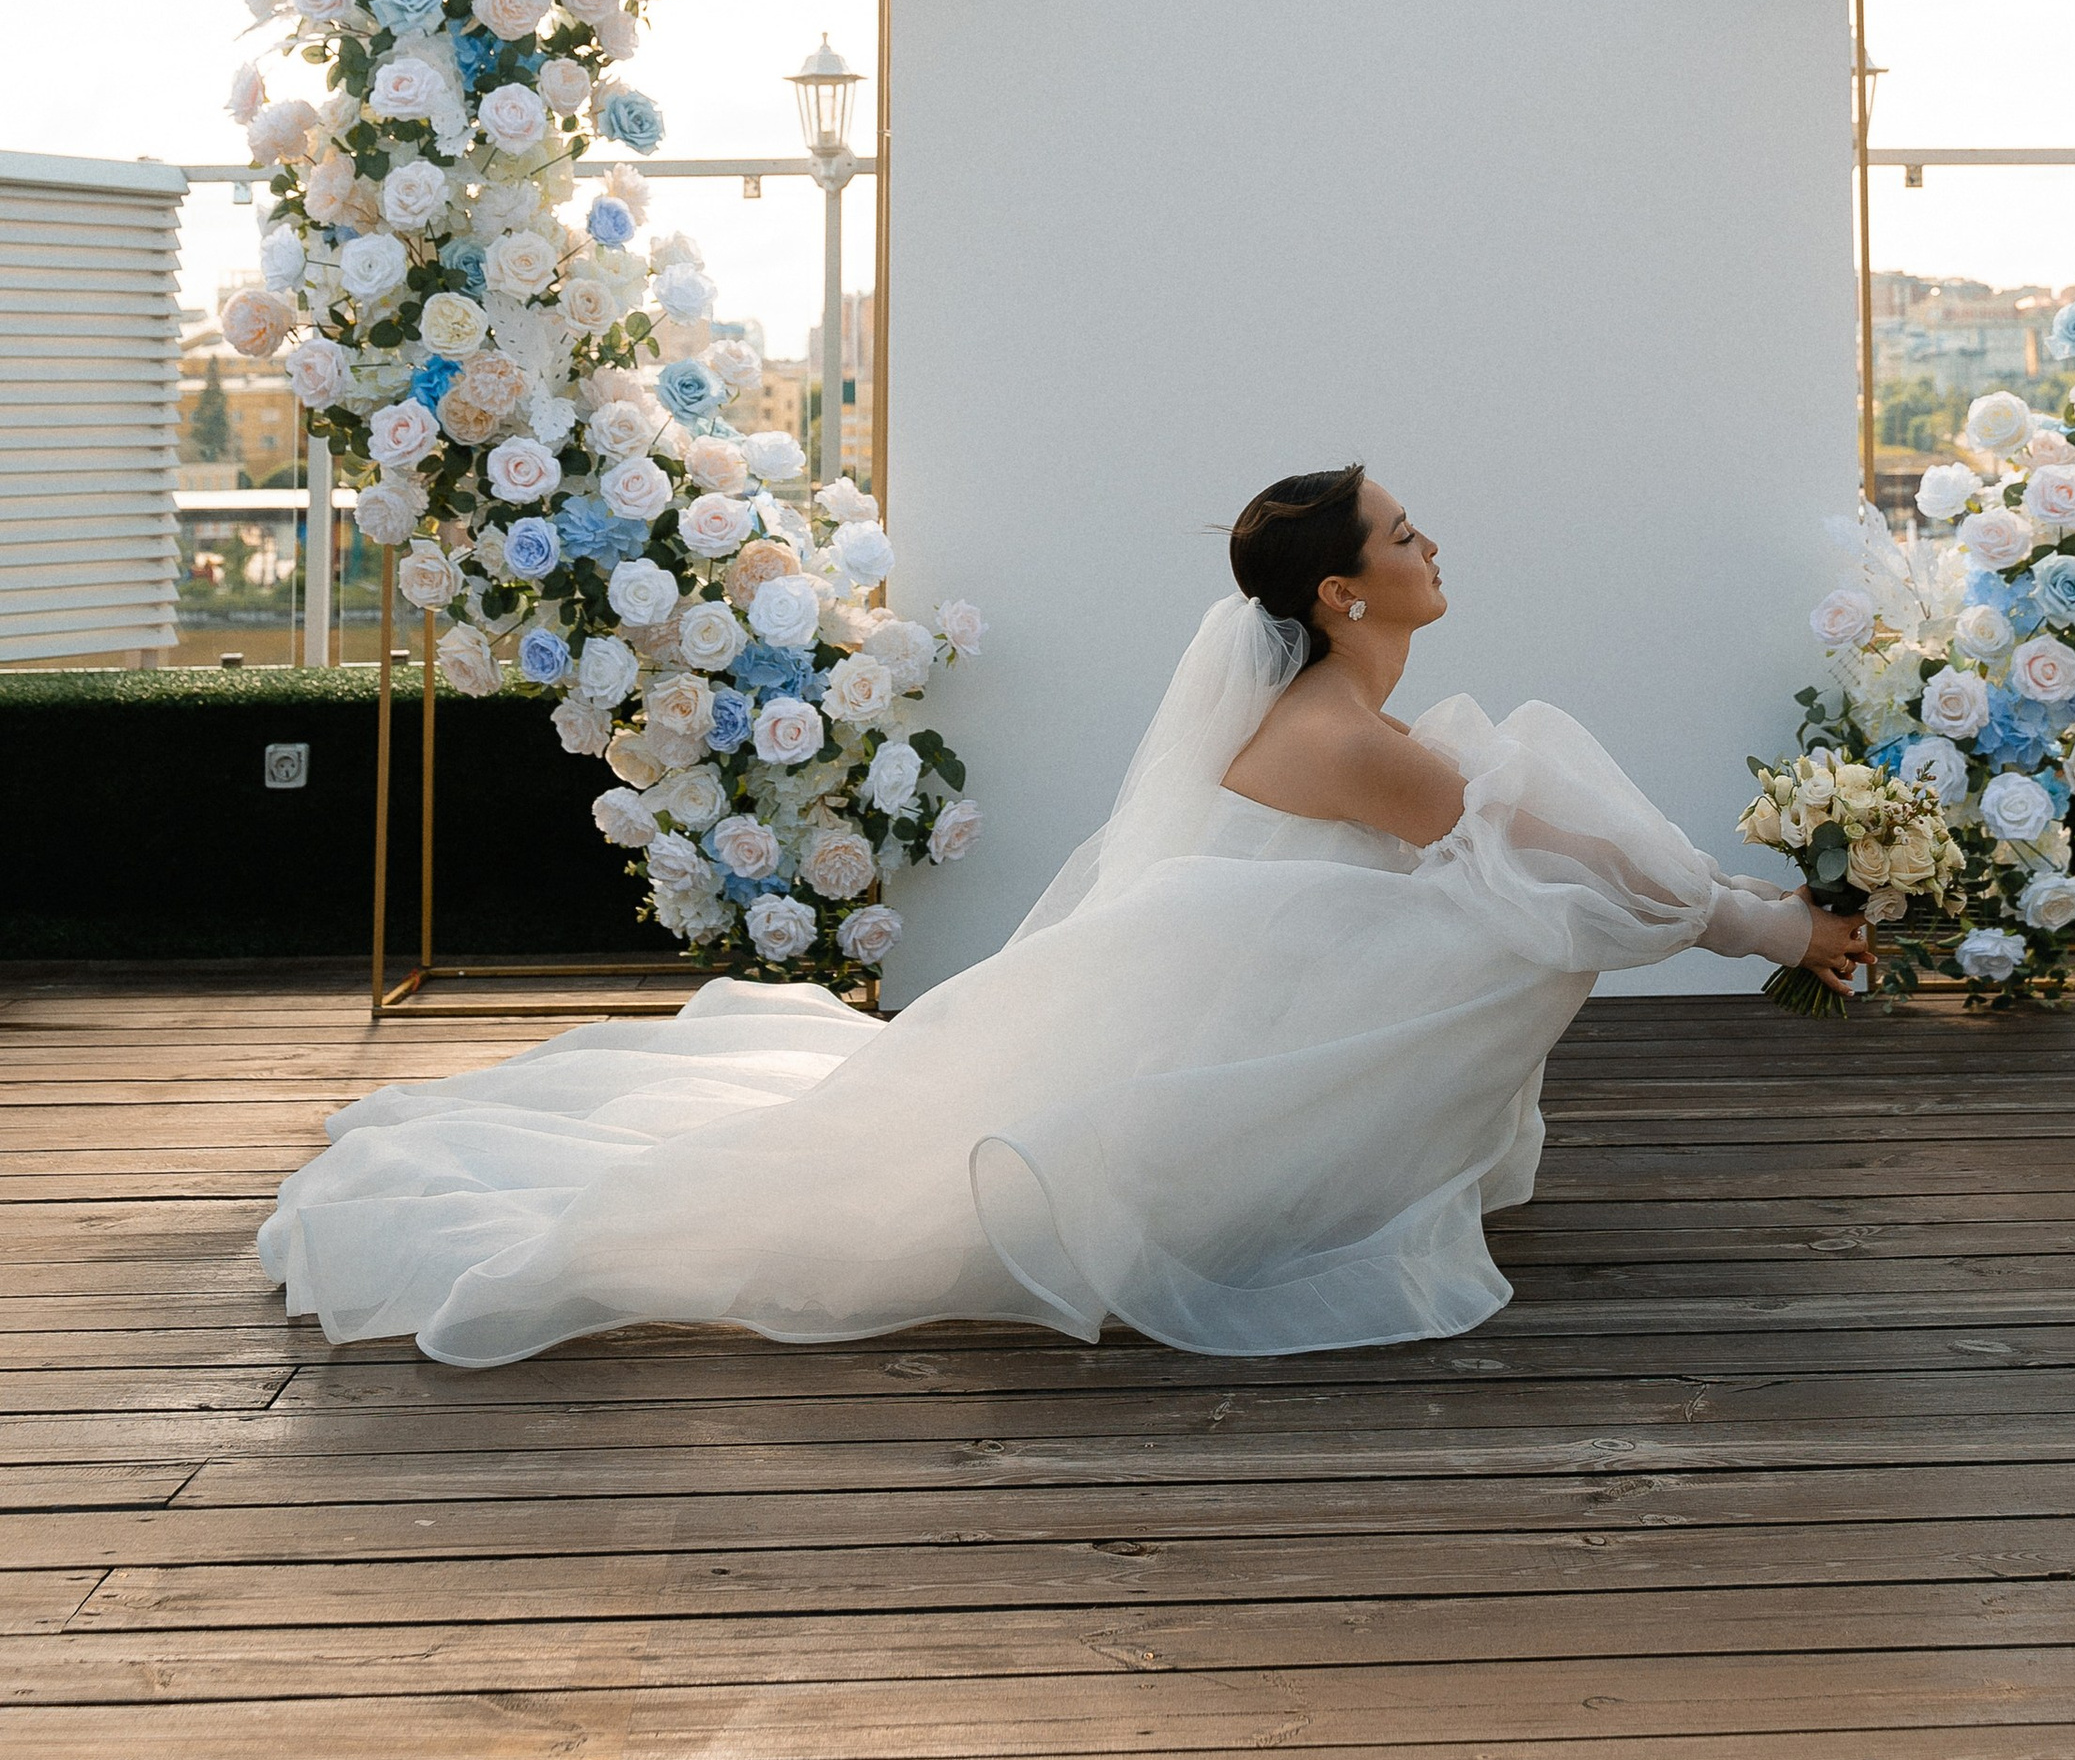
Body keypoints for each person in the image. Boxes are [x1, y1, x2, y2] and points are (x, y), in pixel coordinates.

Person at [260, 463, 1866, 1368]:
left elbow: (1527, 834)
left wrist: (1743, 911)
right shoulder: (1349, 739)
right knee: (1516, 911)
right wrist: (1764, 929)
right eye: (1401, 533)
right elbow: (1552, 857)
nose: (1433, 537)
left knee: (1509, 883)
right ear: (1341, 593)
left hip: (1227, 993)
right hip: (1212, 1021)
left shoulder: (1359, 719)